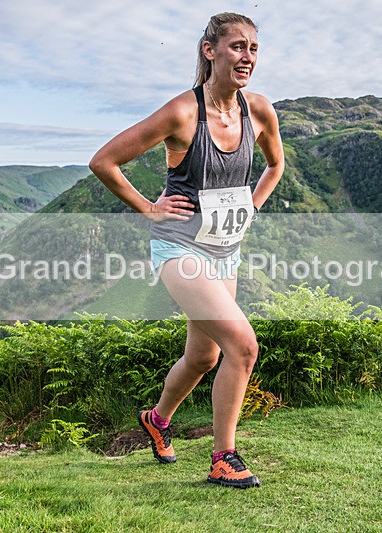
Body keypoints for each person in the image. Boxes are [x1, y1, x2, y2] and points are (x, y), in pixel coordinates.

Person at [89, 12, 284, 489]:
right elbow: (104, 161)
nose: (247, 57)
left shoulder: (258, 110)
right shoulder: (182, 113)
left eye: (253, 48)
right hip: (179, 248)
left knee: (204, 358)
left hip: (225, 250)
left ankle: (156, 419)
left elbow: (275, 165)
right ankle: (224, 457)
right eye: (237, 46)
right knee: (243, 346)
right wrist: (148, 209)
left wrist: (251, 207)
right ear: (210, 50)